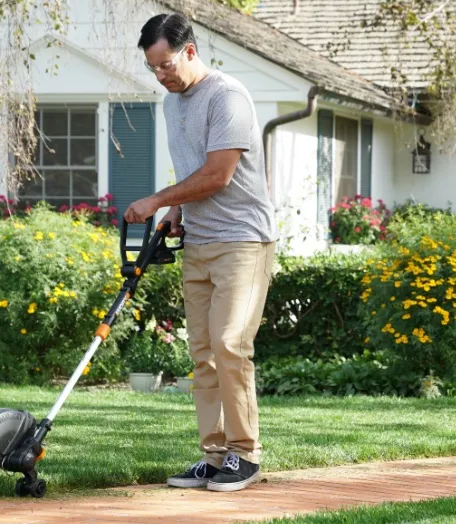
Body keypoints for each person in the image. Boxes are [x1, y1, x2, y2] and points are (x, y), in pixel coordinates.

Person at [123, 12, 277, 493]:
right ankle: (214, 456)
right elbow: (193, 170)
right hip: (200, 241)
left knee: (231, 344)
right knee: (204, 353)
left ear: (189, 51)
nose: (161, 75)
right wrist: (178, 215)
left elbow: (217, 175)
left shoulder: (227, 97)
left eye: (166, 64)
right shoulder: (173, 105)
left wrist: (158, 200)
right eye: (153, 68)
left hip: (243, 240)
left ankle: (244, 455)